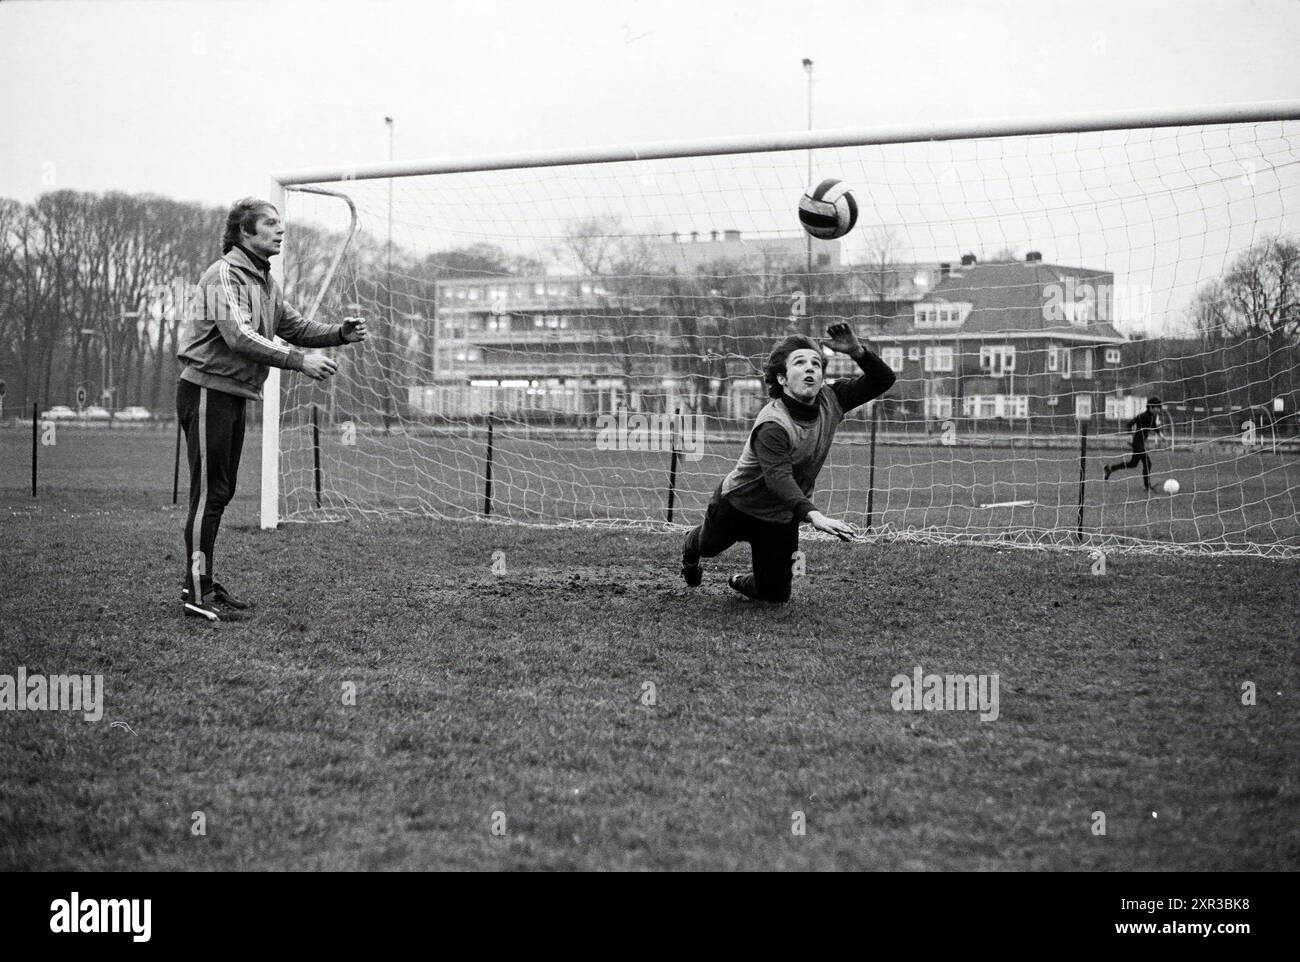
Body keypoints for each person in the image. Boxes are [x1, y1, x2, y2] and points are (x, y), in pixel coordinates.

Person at [176, 197, 368, 621]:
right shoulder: (223, 274)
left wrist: (339, 333)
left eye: (280, 224)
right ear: (245, 233)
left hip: (233, 395)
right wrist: (299, 361)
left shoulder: (264, 281)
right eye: (270, 224)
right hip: (206, 391)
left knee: (221, 492)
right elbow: (240, 337)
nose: (280, 230)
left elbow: (295, 327)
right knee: (208, 493)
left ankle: (204, 584)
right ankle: (194, 591)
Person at [681, 323, 896, 603]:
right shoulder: (773, 423)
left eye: (816, 364)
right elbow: (778, 478)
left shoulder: (833, 399)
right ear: (782, 379)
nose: (810, 368)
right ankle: (691, 541)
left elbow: (883, 380)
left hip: (781, 515)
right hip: (738, 505)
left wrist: (857, 352)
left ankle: (743, 580)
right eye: (800, 362)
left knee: (775, 595)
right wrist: (814, 515)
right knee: (708, 547)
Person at [1104, 396, 1166, 491]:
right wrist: (1129, 435)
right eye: (1157, 407)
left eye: (1159, 407)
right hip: (1137, 442)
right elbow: (1129, 424)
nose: (1159, 409)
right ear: (1151, 407)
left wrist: (1161, 435)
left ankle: (1110, 468)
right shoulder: (1142, 416)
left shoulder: (1153, 417)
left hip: (1141, 442)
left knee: (1133, 464)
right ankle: (1147, 486)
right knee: (1147, 463)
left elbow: (1154, 427)